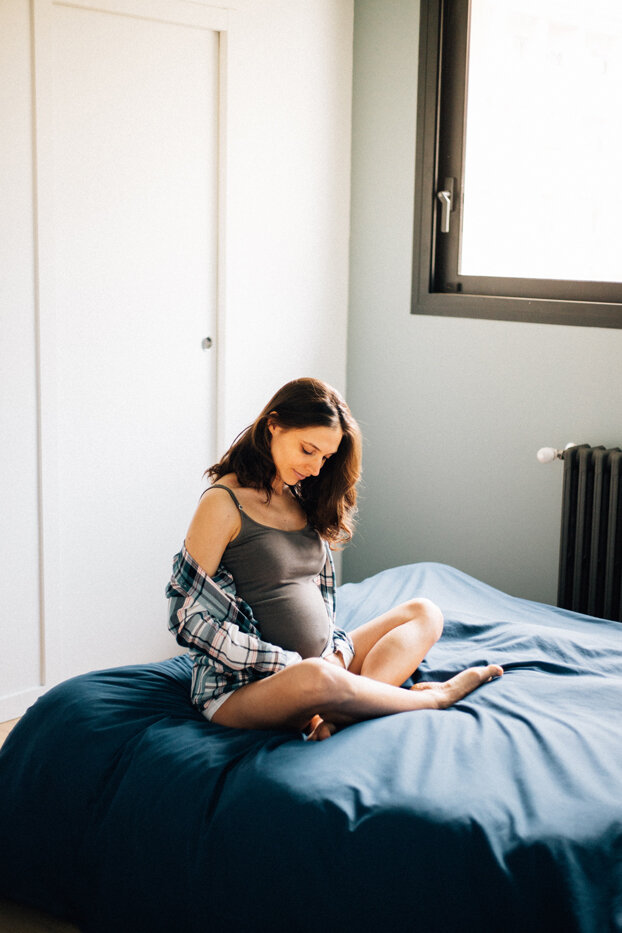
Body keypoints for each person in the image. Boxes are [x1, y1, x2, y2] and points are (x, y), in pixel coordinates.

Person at [166, 377, 502, 741]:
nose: (314, 469)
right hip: (247, 685)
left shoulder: (299, 498)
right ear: (273, 426)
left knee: (425, 612)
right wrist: (290, 664)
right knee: (318, 677)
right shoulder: (223, 503)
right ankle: (432, 699)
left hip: (326, 661)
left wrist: (331, 655)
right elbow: (185, 616)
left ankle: (346, 711)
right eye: (307, 450)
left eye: (325, 458)